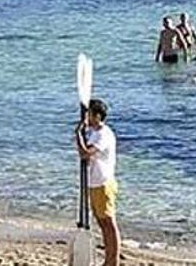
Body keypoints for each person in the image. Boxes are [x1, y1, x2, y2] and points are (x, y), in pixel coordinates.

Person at [75, 99, 120, 266]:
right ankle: (109, 259)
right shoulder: (95, 132)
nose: (86, 118)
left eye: (89, 114)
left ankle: (112, 261)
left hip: (103, 183)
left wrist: (78, 133)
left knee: (108, 222)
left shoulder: (103, 134)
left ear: (97, 116)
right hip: (95, 183)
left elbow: (86, 153)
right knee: (102, 223)